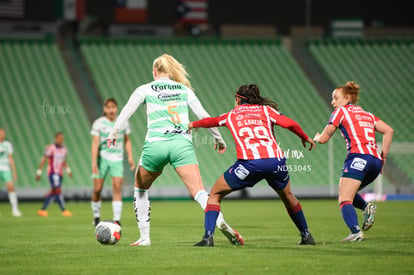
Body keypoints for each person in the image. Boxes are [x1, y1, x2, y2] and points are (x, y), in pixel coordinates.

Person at [107, 53, 243, 246]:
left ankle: (145, 238)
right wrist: (218, 138)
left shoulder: (144, 89)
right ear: (170, 72)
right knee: (199, 191)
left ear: (154, 71)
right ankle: (219, 221)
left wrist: (114, 133)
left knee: (141, 189)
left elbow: (127, 111)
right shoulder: (184, 90)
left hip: (156, 144)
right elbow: (203, 115)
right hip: (182, 144)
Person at [190, 84, 316, 247]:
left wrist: (192, 124)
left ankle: (208, 238)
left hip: (250, 164)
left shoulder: (231, 115)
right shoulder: (266, 111)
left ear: (238, 99)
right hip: (276, 162)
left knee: (214, 194)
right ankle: (306, 235)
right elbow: (289, 123)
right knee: (287, 195)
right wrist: (304, 136)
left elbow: (211, 121)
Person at [313, 81, 393, 242]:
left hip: (358, 158)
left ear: (347, 98)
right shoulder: (367, 114)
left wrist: (316, 138)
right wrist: (383, 156)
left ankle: (355, 232)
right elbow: (388, 130)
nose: (332, 102)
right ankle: (366, 207)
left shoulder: (340, 112)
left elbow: (324, 138)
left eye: (336, 98)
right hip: (375, 161)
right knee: (348, 193)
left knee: (344, 199)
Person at [91, 98, 135, 226]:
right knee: (97, 189)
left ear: (116, 108)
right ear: (104, 109)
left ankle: (116, 220)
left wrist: (130, 157)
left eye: (113, 107)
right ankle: (96, 216)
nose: (111, 110)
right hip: (102, 158)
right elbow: (95, 143)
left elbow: (127, 140)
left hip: (117, 158)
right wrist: (94, 163)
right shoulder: (99, 123)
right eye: (108, 107)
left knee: (117, 187)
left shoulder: (123, 122)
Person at [36, 132, 73, 217]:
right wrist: (39, 172)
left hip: (60, 173)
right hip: (53, 172)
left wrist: (68, 170)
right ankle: (63, 210)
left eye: (62, 139)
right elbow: (44, 159)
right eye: (59, 138)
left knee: (55, 191)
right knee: (57, 190)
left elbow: (64, 161)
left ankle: (43, 209)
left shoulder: (64, 149)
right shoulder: (51, 148)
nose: (61, 140)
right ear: (56, 138)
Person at [0, 128, 22, 217]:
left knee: (11, 187)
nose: (2, 134)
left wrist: (14, 171)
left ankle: (15, 209)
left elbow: (10, 158)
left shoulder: (7, 144)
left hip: (6, 169)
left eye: (3, 133)